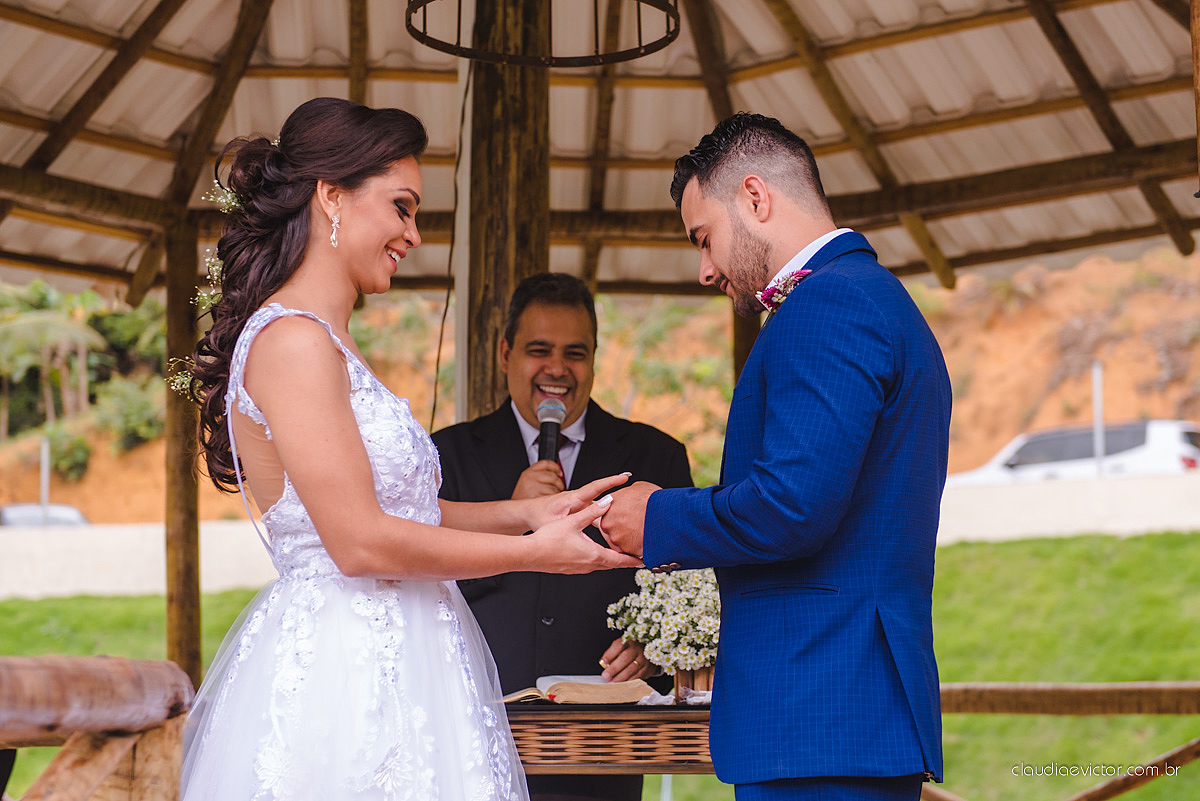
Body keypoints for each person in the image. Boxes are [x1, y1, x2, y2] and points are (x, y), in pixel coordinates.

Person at [179, 97, 638, 801]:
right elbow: (359, 541)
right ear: (332, 196)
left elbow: (404, 511)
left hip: (414, 656)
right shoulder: (293, 341)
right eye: (401, 207)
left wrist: (527, 516)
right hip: (347, 673)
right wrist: (531, 553)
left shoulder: (330, 342)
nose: (413, 234)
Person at [599, 113, 951, 801]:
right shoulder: (866, 296)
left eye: (704, 238)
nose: (705, 269)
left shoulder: (830, 305)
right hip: (836, 713)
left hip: (821, 710)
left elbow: (792, 505)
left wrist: (657, 517)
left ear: (755, 197)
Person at [433, 272, 693, 801]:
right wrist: (514, 515)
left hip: (605, 745)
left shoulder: (654, 457)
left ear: (594, 359)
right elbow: (426, 581)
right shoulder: (446, 456)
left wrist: (653, 646)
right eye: (539, 350)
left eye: (575, 353)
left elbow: (685, 588)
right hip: (475, 732)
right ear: (505, 354)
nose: (557, 369)